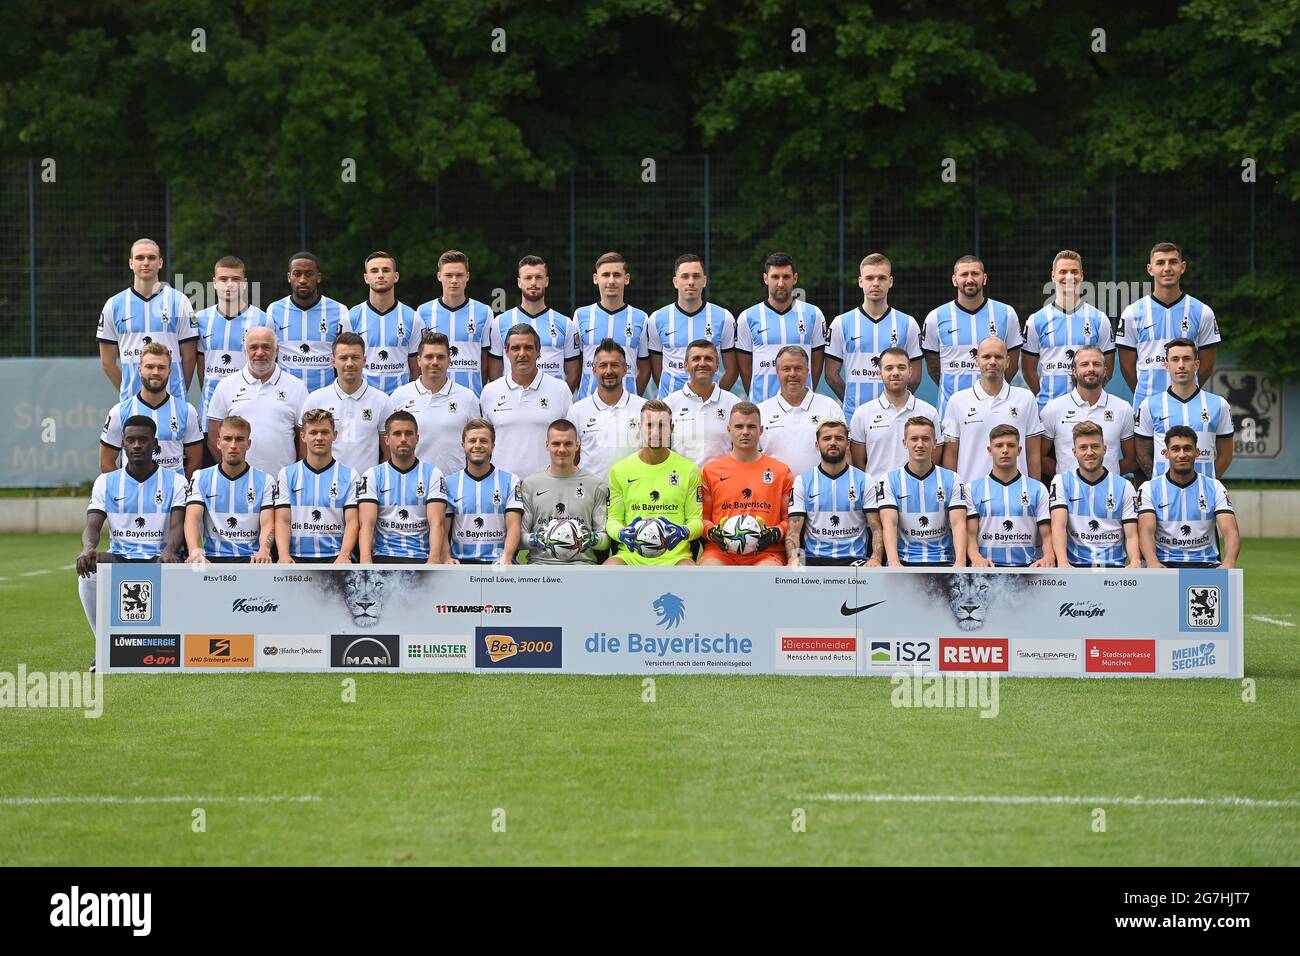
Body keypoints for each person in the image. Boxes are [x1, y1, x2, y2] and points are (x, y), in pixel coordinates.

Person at [76, 416, 187, 652]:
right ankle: (104, 647)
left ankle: (168, 647)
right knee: (88, 570)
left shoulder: (176, 481)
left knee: (179, 566)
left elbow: (179, 526)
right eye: (131, 440)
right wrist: (88, 549)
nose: (137, 445)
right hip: (121, 556)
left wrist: (169, 550)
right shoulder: (105, 482)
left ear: (155, 444)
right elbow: (92, 527)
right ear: (123, 445)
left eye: (143, 440)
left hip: (159, 557)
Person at [1117, 242, 1220, 409]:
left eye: (1173, 262)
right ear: (1150, 269)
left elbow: (1207, 365)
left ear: (1183, 267)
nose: (1167, 268)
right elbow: (1126, 366)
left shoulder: (1202, 312)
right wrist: (1145, 393)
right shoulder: (1132, 313)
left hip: (1188, 405)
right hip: (1146, 405)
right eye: (1160, 263)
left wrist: (1186, 391)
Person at [824, 253, 922, 425]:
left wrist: (896, 399)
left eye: (881, 278)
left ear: (890, 282)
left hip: (897, 416)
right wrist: (852, 400)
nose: (875, 283)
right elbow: (831, 375)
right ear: (861, 281)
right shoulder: (841, 323)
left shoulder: (908, 323)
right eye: (869, 278)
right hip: (854, 417)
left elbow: (915, 377)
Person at [922, 254, 1023, 418]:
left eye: (975, 274)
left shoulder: (1006, 313)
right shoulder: (936, 317)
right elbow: (933, 367)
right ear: (954, 280)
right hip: (951, 414)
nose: (970, 279)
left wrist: (995, 386)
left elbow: (1011, 365)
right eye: (964, 274)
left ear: (984, 278)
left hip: (996, 410)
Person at [98, 238, 197, 404]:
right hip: (131, 404)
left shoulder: (179, 301)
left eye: (151, 258)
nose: (146, 262)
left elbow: (189, 357)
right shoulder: (114, 305)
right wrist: (129, 390)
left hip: (173, 400)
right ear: (131, 263)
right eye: (139, 258)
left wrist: (176, 391)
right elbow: (107, 362)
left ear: (160, 263)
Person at [605, 401, 702, 567]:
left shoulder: (689, 470)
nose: (656, 432)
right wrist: (621, 533)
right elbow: (613, 519)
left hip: (675, 556)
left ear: (672, 428)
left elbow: (696, 521)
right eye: (649, 425)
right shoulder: (619, 470)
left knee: (688, 570)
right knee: (609, 569)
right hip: (631, 555)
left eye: (662, 426)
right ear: (639, 426)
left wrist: (684, 532)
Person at [206, 326, 308, 477]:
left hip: (282, 484)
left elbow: (305, 440)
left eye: (266, 347)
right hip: (238, 482)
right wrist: (232, 474)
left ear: (277, 350)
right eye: (253, 347)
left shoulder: (296, 387)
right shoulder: (226, 386)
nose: (260, 353)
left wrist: (295, 477)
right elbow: (214, 439)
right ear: (245, 351)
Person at [699, 403, 792, 566]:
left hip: (766, 552)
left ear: (761, 430)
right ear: (729, 430)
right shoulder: (710, 471)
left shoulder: (781, 472)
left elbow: (790, 519)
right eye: (739, 426)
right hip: (720, 552)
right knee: (708, 572)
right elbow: (702, 518)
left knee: (767, 573)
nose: (745, 432)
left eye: (751, 426)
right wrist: (713, 533)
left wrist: (776, 533)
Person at [1021, 250, 1115, 410]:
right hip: (1047, 409)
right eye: (1063, 272)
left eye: (1074, 272)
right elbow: (1028, 370)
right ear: (1053, 276)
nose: (1069, 277)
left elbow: (1108, 369)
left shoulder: (1099, 319)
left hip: (1089, 409)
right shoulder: (1036, 320)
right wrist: (1046, 396)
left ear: (1082, 276)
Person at [941, 337, 1042, 482]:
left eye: (998, 357)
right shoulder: (956, 401)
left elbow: (1033, 454)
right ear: (977, 360)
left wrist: (1035, 491)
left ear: (1007, 362)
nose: (992, 362)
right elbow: (951, 454)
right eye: (986, 356)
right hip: (971, 497)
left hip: (1019, 496)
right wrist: (953, 496)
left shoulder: (1026, 399)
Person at [480, 324, 574, 481]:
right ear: (506, 351)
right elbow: (484, 443)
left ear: (538, 352)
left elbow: (571, 442)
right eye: (516, 348)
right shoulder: (490, 392)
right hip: (502, 487)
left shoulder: (560, 390)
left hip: (548, 485)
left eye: (528, 348)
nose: (522, 354)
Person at [1138, 426, 1240, 569]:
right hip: (1164, 563)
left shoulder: (1215, 487)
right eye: (1175, 449)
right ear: (1166, 453)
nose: (1182, 454)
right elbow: (1145, 530)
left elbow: (1230, 531)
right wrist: (1152, 561)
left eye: (1187, 448)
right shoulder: (1149, 488)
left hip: (1206, 563)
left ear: (1197, 452)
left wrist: (1229, 562)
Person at [193, 255, 270, 444]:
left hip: (249, 409)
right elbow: (202, 368)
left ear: (244, 283)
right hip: (210, 412)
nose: (230, 284)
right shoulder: (201, 319)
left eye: (236, 279)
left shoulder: (262, 319)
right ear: (214, 283)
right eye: (223, 279)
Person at [383, 331, 481, 477]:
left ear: (449, 361)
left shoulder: (468, 398)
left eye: (440, 357)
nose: (435, 362)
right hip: (412, 484)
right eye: (429, 357)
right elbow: (390, 444)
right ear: (418, 360)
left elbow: (476, 446)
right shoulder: (399, 396)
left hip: (454, 486)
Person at [874, 417, 968, 567]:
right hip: (904, 562)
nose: (920, 444)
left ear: (935, 443)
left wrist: (961, 562)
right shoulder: (889, 480)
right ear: (904, 443)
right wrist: (893, 562)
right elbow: (889, 524)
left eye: (925, 439)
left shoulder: (952, 479)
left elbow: (958, 524)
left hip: (942, 561)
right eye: (914, 439)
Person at [1134, 338, 1233, 480]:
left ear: (1197, 364)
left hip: (1203, 496)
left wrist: (1207, 484)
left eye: (1187, 359)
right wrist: (1160, 483)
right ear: (1166, 366)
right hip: (1164, 495)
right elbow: (1142, 455)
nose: (1181, 365)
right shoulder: (1149, 405)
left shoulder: (1219, 404)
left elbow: (1226, 455)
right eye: (1175, 359)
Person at [100, 342, 203, 477]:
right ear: (140, 370)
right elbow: (106, 462)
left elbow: (195, 461)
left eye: (161, 367)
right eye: (150, 367)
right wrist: (124, 490)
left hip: (173, 495)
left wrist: (180, 489)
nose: (155, 372)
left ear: (169, 371)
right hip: (133, 495)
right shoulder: (119, 412)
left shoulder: (187, 411)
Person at [183, 415, 275, 564]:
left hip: (251, 559)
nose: (233, 445)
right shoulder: (200, 477)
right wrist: (195, 551)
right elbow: (192, 518)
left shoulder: (265, 480)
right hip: (211, 558)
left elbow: (268, 523)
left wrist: (264, 551)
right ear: (218, 443)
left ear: (248, 444)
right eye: (227, 439)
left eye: (239, 439)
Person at [736, 252, 826, 402]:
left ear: (795, 278)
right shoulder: (748, 317)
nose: (781, 283)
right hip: (762, 404)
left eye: (786, 277)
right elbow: (745, 370)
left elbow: (816, 366)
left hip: (803, 406)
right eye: (775, 277)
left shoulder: (813, 314)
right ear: (765, 279)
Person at [357, 411, 446, 564]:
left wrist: (433, 561)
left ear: (417, 438)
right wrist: (366, 562)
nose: (403, 439)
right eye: (397, 434)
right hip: (383, 557)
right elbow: (367, 525)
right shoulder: (372, 475)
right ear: (386, 440)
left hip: (421, 557)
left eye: (408, 433)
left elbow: (437, 523)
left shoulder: (433, 474)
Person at [518, 420, 610, 565]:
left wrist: (591, 538)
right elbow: (518, 539)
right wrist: (536, 539)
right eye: (556, 444)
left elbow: (605, 540)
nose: (562, 449)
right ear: (547, 445)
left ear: (577, 445)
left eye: (568, 443)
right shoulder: (530, 484)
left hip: (582, 567)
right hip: (540, 567)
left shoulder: (596, 485)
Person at [1049, 422, 1140, 568]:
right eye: (1083, 447)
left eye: (1095, 446)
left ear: (1105, 449)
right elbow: (1058, 526)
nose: (1089, 452)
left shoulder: (1124, 486)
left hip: (1113, 569)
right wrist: (1062, 562)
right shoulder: (1061, 481)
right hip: (1075, 568)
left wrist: (1135, 560)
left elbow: (1131, 534)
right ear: (1074, 452)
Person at [787, 420, 878, 566]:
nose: (833, 443)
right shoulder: (802, 481)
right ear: (817, 445)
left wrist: (876, 558)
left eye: (839, 438)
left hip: (854, 559)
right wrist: (793, 558)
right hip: (814, 559)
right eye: (827, 438)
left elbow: (876, 527)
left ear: (848, 444)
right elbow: (794, 530)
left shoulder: (864, 480)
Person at [273, 409, 359, 564]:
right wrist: (283, 555)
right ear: (303, 436)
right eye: (313, 432)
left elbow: (352, 521)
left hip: (335, 557)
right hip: (295, 557)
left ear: (334, 435)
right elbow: (282, 520)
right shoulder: (286, 474)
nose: (319, 438)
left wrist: (344, 555)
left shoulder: (350, 475)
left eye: (325, 432)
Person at [647, 254, 738, 397]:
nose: (691, 282)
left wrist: (714, 396)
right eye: (685, 276)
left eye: (696, 276)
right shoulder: (657, 319)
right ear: (675, 282)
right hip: (670, 406)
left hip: (709, 404)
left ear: (704, 281)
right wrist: (673, 397)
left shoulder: (724, 317)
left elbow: (732, 370)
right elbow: (656, 370)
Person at [1040, 345, 1136, 479]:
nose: (1091, 369)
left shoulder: (1123, 409)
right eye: (1084, 364)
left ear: (1105, 370)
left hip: (1109, 494)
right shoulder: (1053, 409)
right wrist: (1065, 476)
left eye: (1096, 364)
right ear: (1074, 370)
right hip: (1067, 494)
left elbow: (1131, 460)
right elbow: (1039, 457)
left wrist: (1107, 477)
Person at [435, 419, 523, 566]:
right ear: (463, 445)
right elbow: (443, 528)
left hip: (498, 563)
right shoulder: (449, 482)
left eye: (483, 441)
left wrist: (507, 557)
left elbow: (514, 525)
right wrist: (446, 557)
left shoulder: (510, 480)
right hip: (461, 563)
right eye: (472, 441)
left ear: (492, 446)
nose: (477, 445)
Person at [300, 331, 388, 477]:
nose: (349, 363)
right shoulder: (316, 399)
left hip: (366, 490)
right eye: (343, 358)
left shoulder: (382, 400)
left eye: (355, 357)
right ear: (333, 361)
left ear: (364, 360)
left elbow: (388, 452)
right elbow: (304, 447)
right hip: (325, 485)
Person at [964, 425, 1053, 568]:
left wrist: (1048, 556)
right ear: (990, 450)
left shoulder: (1038, 489)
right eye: (999, 446)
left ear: (1019, 450)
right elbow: (970, 535)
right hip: (987, 569)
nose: (1005, 450)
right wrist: (976, 558)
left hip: (1027, 569)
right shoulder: (972, 489)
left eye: (1011, 445)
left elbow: (1047, 535)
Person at [487, 255, 580, 389]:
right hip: (513, 402)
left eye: (538, 277)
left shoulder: (566, 323)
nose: (533, 283)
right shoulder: (500, 322)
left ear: (546, 281)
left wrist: (559, 399)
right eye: (528, 278)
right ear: (519, 282)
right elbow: (495, 371)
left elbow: (573, 373)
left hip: (552, 404)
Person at [848, 346, 940, 478]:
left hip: (918, 494)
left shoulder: (929, 412)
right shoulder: (862, 414)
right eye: (889, 368)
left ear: (910, 371)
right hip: (876, 495)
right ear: (879, 373)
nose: (895, 373)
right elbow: (858, 465)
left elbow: (934, 460)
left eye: (901, 367)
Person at [267, 251, 350, 393]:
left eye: (309, 274)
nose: (302, 280)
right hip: (285, 395)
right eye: (297, 274)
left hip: (326, 397)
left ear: (318, 277)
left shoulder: (339, 311)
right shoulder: (274, 310)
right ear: (289, 277)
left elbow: (346, 356)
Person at [756, 346, 845, 478]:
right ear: (777, 372)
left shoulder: (830, 407)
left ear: (807, 371)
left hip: (819, 492)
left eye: (798, 368)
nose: (792, 374)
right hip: (775, 493)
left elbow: (845, 455)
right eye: (786, 369)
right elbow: (752, 459)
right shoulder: (761, 411)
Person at [565, 338, 648, 479]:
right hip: (591, 496)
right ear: (594, 370)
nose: (608, 371)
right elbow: (572, 459)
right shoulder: (576, 411)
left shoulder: (644, 408)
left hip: (632, 495)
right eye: (603, 366)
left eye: (615, 365)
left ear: (625, 369)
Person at [415, 250, 493, 395]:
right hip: (433, 397)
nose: (454, 280)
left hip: (472, 397)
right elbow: (418, 358)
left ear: (467, 276)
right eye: (449, 275)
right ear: (439, 276)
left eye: (459, 275)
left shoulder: (484, 312)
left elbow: (485, 359)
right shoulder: (423, 312)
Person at [574, 252, 651, 399]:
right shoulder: (581, 315)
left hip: (628, 407)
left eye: (617, 275)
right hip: (588, 405)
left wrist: (632, 396)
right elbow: (575, 365)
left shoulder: (641, 318)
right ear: (596, 279)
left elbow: (645, 368)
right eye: (605, 275)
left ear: (626, 279)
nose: (611, 281)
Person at [346, 251, 421, 395]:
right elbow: (344, 364)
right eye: (374, 271)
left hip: (400, 401)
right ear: (366, 278)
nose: (380, 275)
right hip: (362, 398)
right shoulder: (351, 317)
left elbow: (416, 368)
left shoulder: (413, 318)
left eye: (386, 270)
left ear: (396, 276)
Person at [665, 339, 740, 468]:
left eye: (708, 359)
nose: (702, 363)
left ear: (717, 366)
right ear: (686, 365)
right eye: (696, 359)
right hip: (681, 484)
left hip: (721, 483)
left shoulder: (734, 404)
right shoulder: (668, 404)